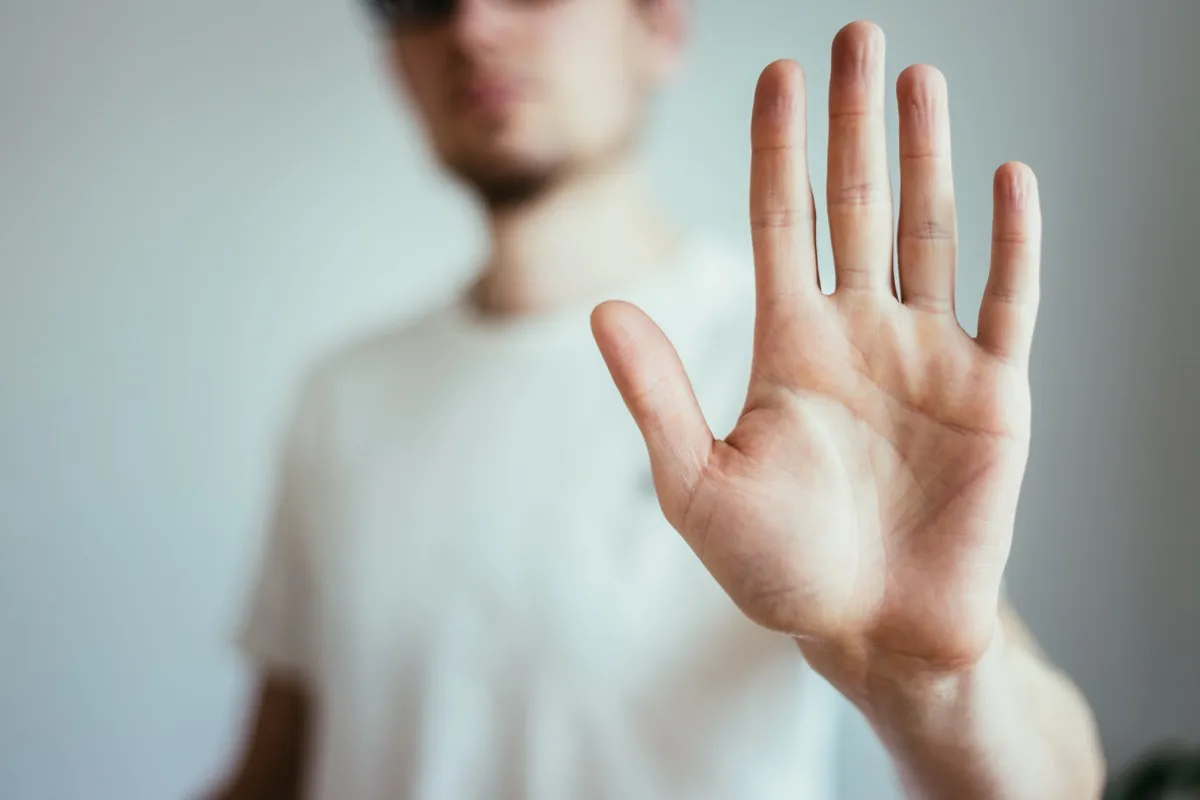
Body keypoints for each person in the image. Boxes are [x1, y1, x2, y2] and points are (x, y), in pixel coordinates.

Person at [211, 1, 1105, 798]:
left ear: (660, 26)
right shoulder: (344, 398)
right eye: (419, 0)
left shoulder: (810, 375)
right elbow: (274, 773)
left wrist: (928, 679)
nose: (472, 23)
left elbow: (1058, 782)